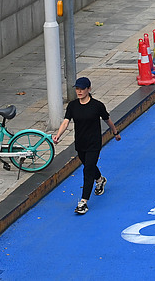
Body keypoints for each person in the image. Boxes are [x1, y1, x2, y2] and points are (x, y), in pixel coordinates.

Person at [52, 77, 121, 215]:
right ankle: (100, 180)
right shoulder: (72, 106)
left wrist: (115, 132)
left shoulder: (97, 106)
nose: (79, 91)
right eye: (77, 89)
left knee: (88, 170)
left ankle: (83, 201)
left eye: (82, 89)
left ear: (89, 89)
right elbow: (66, 122)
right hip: (80, 143)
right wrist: (58, 135)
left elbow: (107, 120)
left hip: (94, 143)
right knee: (88, 165)